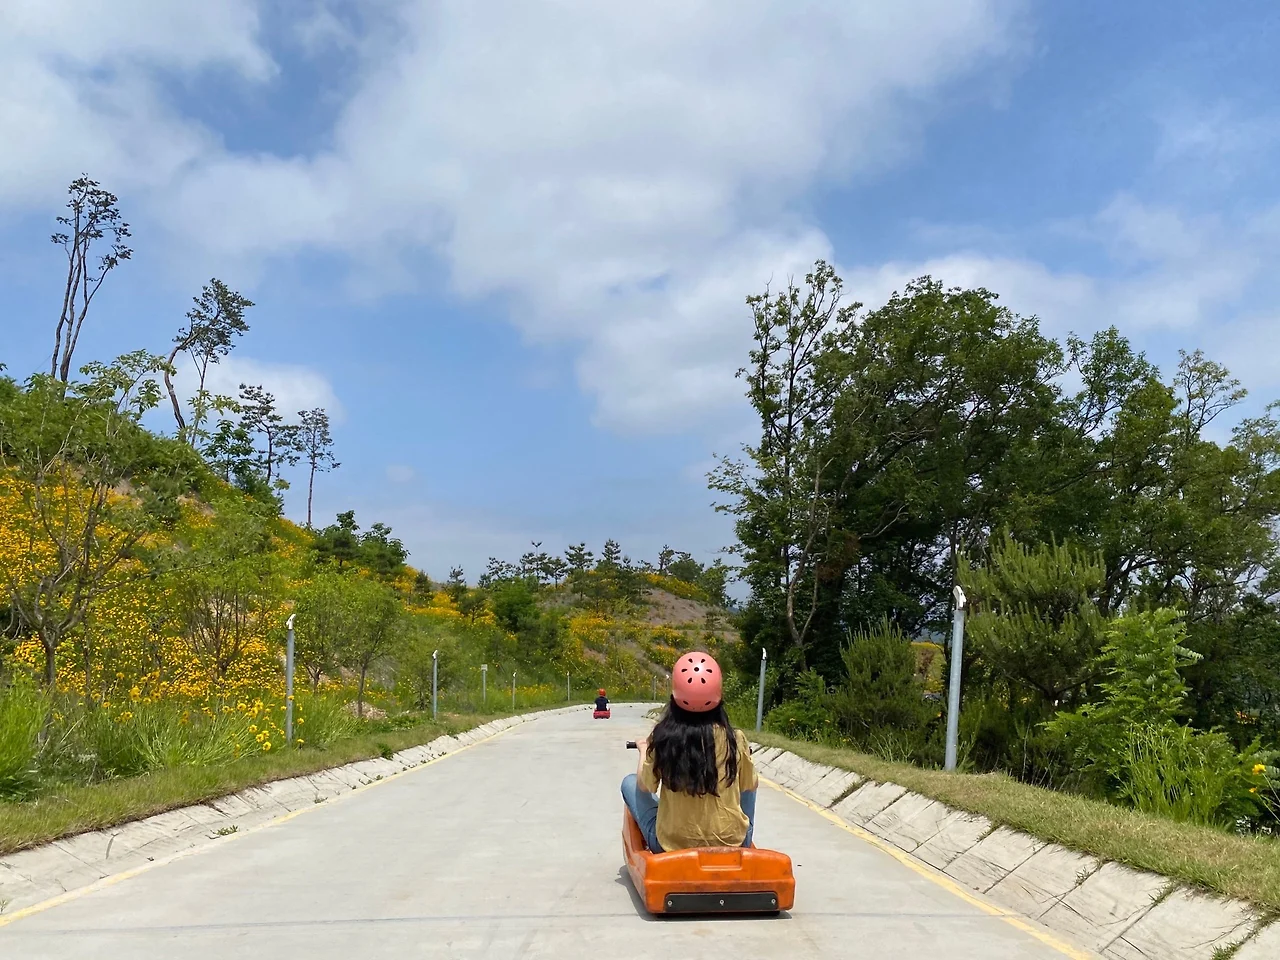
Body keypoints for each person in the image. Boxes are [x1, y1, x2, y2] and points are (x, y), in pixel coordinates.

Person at [621, 652, 758, 853]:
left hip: (671, 846)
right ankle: (737, 831)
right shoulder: (735, 738)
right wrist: (743, 760)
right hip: (733, 843)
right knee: (750, 781)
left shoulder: (663, 737)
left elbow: (645, 786)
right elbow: (750, 785)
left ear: (675, 694)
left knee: (630, 782)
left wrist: (644, 750)